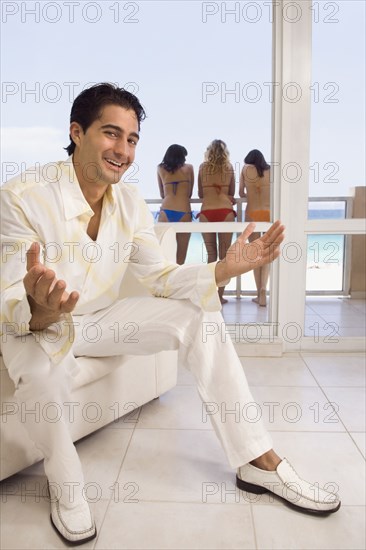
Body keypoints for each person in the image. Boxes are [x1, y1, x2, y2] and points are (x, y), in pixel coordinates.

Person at [0, 84, 340, 545]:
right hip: (32, 326)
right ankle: (67, 486)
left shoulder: (130, 202)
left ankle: (258, 461)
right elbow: (10, 300)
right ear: (76, 133)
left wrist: (222, 269)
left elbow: (160, 277)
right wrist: (40, 309)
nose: (123, 150)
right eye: (111, 134)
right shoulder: (22, 196)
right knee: (42, 376)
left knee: (199, 315)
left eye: (133, 139)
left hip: (97, 320)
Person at [197, 139, 236, 304]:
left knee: (211, 255)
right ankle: (220, 296)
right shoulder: (229, 168)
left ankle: (210, 295)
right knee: (224, 255)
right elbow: (232, 192)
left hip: (206, 212)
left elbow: (200, 194)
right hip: (225, 212)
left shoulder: (202, 167)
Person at [239, 149, 271, 307]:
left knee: (255, 253)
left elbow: (240, 193)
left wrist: (250, 194)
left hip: (252, 213)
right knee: (266, 253)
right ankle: (264, 289)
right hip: (267, 213)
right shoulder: (271, 171)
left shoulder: (245, 169)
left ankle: (258, 292)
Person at [157, 144, 194, 264]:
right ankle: (177, 282)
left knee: (163, 256)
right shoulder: (189, 168)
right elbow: (189, 193)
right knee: (180, 259)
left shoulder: (160, 168)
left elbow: (162, 194)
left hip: (166, 211)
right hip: (183, 211)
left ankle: (164, 282)